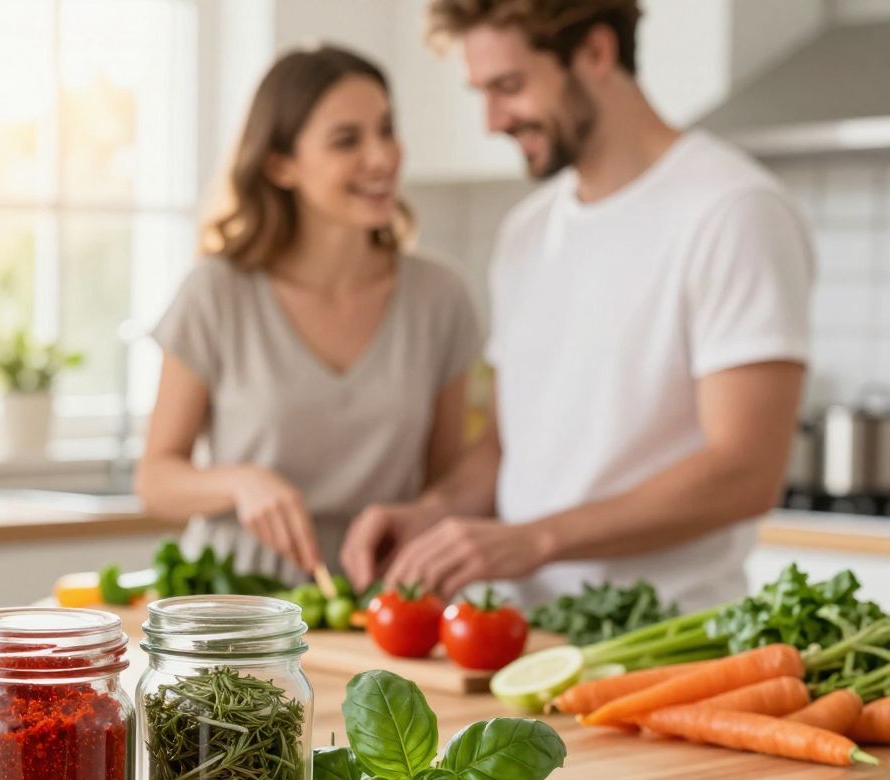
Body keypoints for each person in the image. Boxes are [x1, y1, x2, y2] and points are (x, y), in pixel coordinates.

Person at [341, 0, 812, 611]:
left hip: (661, 645)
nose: (491, 121)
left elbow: (745, 470)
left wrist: (536, 539)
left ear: (596, 52)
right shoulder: (526, 231)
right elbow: (503, 448)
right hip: (519, 635)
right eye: (480, 92)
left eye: (509, 86)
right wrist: (431, 516)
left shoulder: (733, 211)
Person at [135, 45, 482, 583]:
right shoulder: (218, 292)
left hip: (376, 597)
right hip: (235, 601)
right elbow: (155, 480)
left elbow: (446, 484)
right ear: (281, 164)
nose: (382, 156)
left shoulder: (440, 297)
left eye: (387, 130)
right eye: (348, 140)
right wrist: (242, 482)